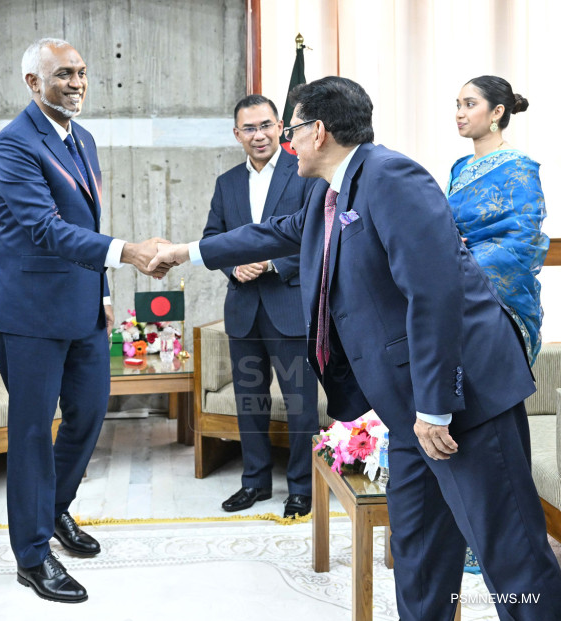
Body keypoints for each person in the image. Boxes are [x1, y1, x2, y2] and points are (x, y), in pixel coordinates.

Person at [151, 76, 561, 620]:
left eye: (292, 131)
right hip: (409, 408)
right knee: (418, 553)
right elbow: (275, 232)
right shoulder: (332, 190)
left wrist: (435, 407)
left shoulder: (392, 177)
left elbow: (435, 296)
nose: (287, 143)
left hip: (461, 402)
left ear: (318, 131)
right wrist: (185, 252)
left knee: (512, 559)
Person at [0, 37, 170, 603]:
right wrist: (128, 253)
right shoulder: (14, 144)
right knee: (31, 435)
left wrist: (105, 289)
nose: (77, 83)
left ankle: (55, 508)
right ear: (33, 83)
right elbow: (45, 229)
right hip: (32, 317)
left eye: (82, 72)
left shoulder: (82, 138)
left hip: (86, 308)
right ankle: (32, 555)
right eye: (64, 73)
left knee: (89, 416)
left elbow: (86, 222)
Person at [203, 94, 319, 518]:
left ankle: (302, 488)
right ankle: (254, 482)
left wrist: (271, 263)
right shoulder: (227, 183)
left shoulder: (304, 173)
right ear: (237, 134)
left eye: (266, 125)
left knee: (300, 403)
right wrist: (234, 267)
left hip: (288, 307)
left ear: (281, 126)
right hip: (243, 311)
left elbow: (317, 236)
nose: (259, 135)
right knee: (250, 402)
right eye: (249, 128)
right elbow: (213, 238)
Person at [451, 75, 547, 365]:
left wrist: (468, 265)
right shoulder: (460, 168)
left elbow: (524, 239)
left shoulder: (519, 166)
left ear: (497, 112)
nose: (460, 113)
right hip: (452, 288)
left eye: (470, 104)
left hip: (493, 296)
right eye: (458, 105)